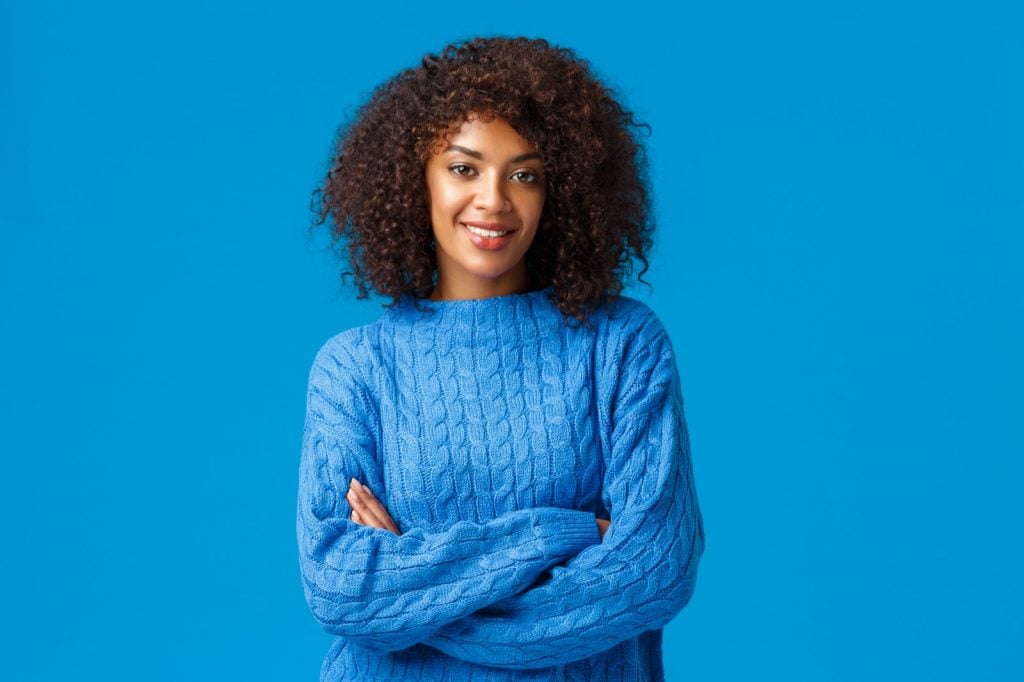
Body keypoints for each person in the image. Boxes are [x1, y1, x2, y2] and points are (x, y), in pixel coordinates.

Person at [297, 35, 706, 681]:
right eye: (463, 168)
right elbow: (343, 589)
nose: (493, 199)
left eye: (525, 174)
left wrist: (416, 588)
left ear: (560, 192)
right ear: (415, 179)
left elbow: (656, 568)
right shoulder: (357, 366)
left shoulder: (621, 343)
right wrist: (566, 533)